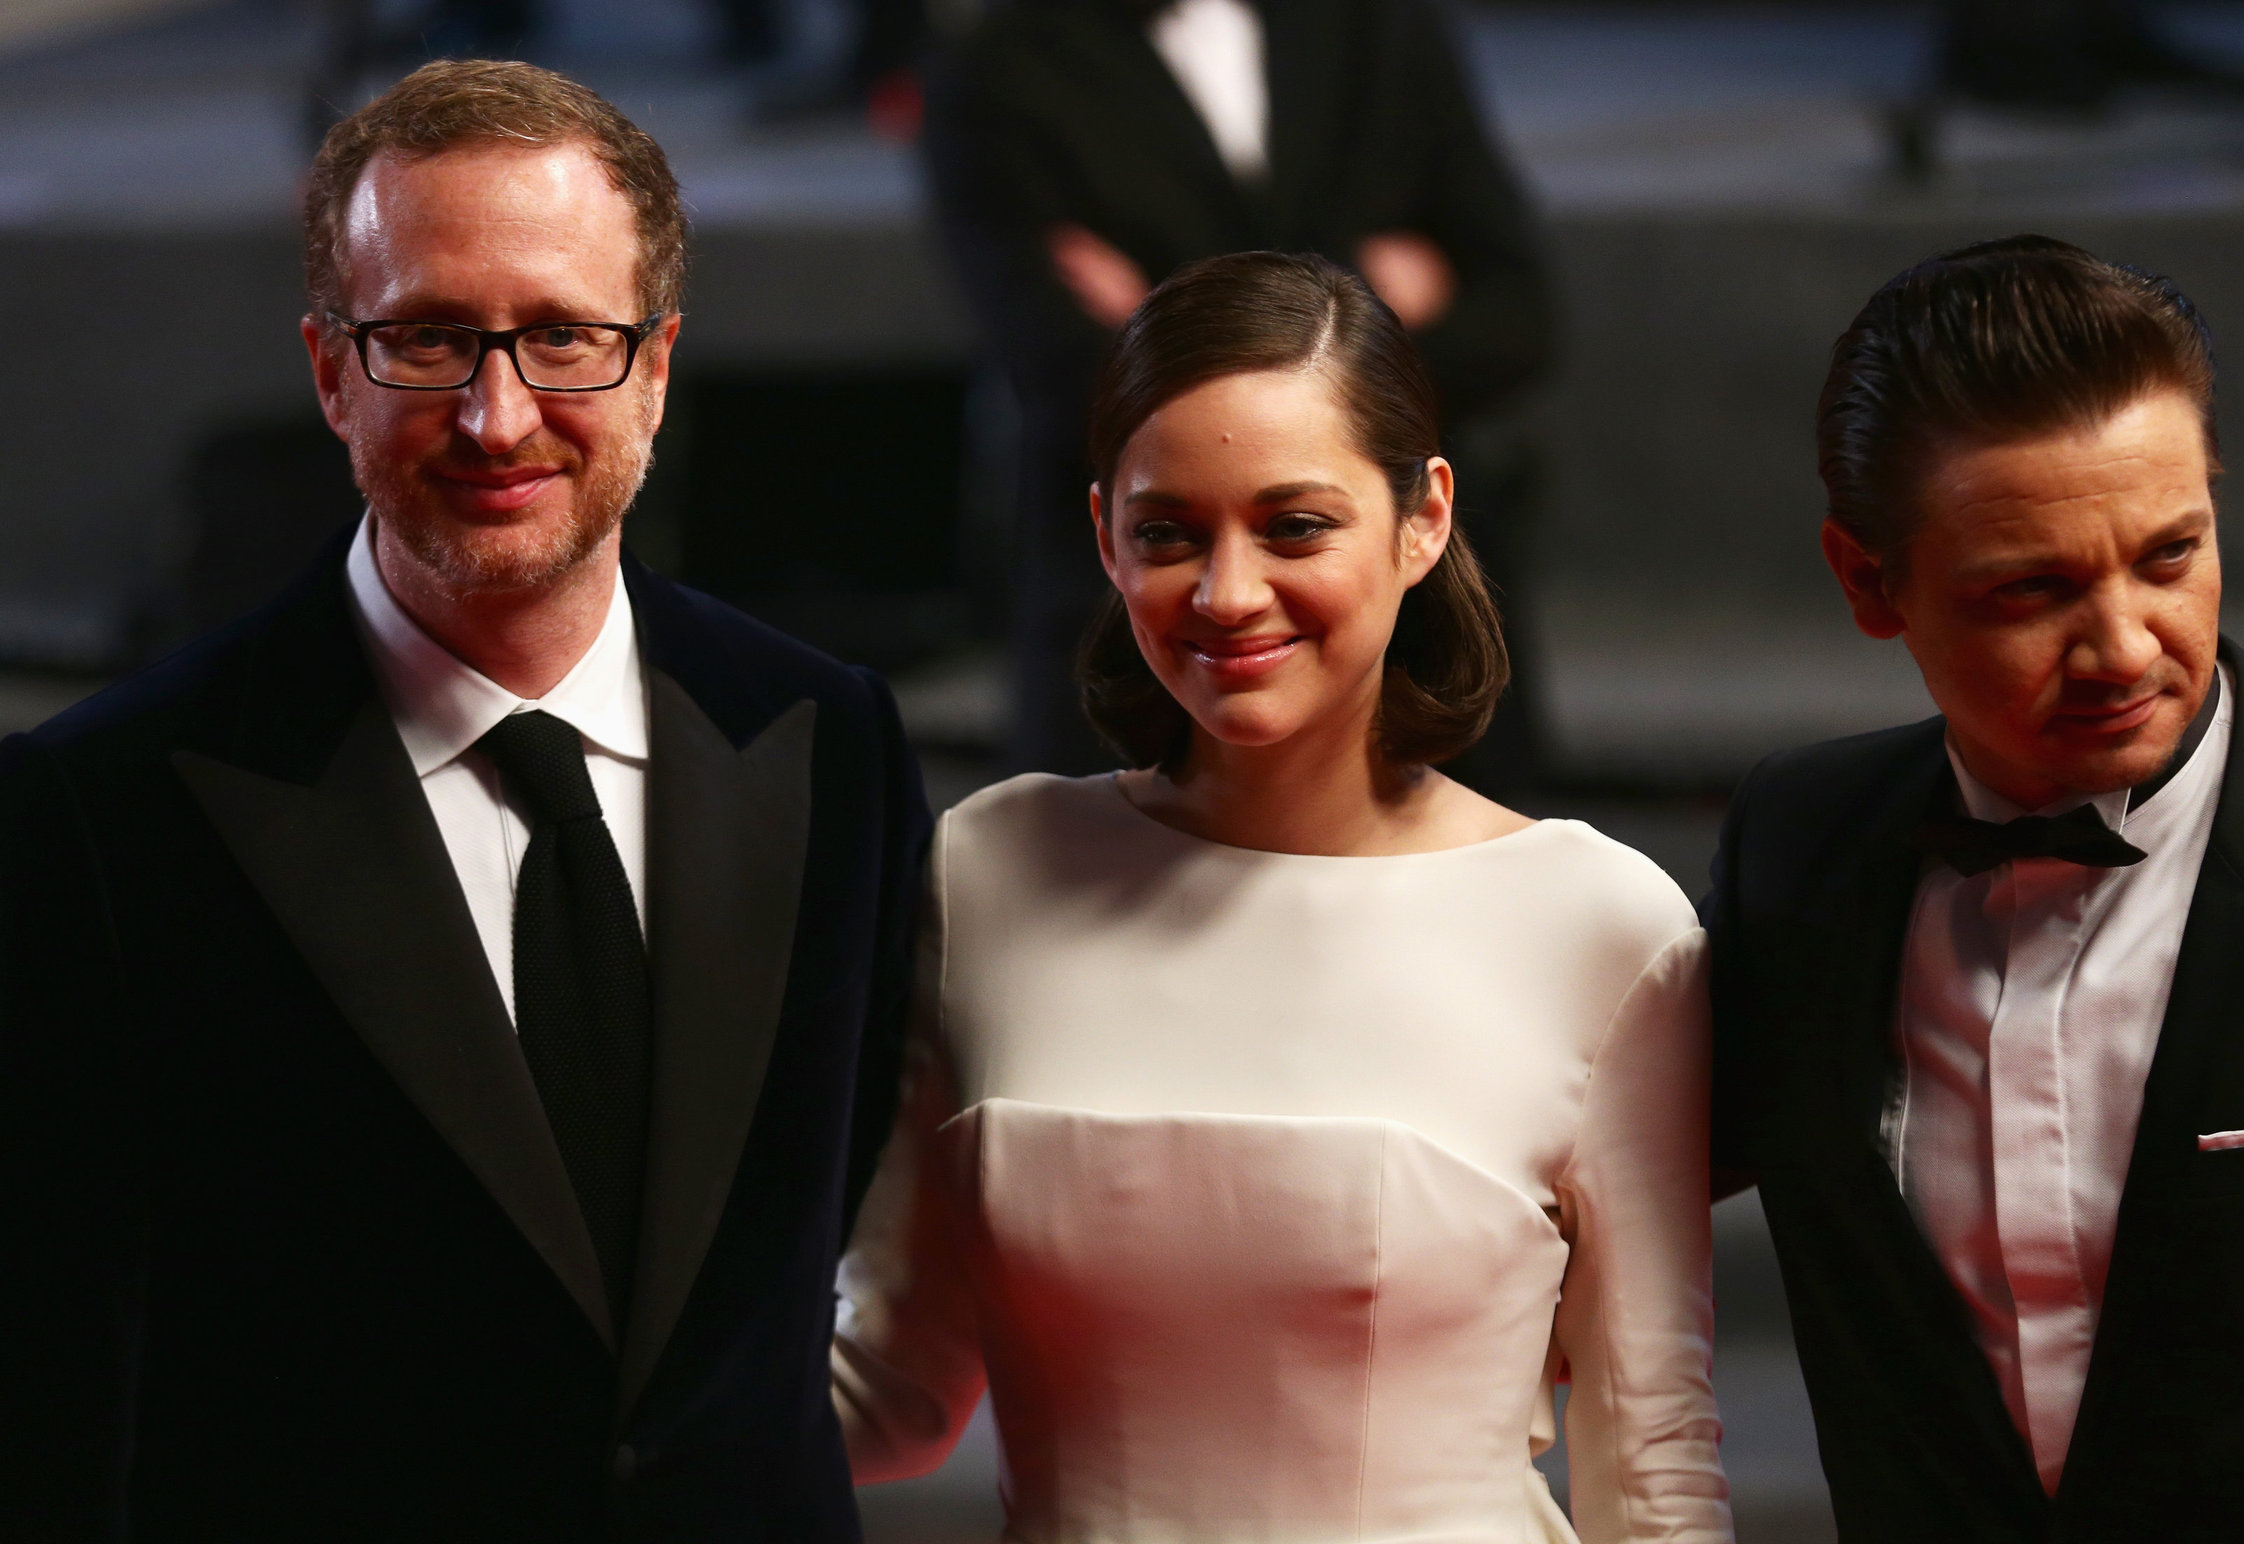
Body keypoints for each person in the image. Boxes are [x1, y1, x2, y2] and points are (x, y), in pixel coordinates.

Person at [0, 61, 929, 1540]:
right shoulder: (102, 812)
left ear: (661, 363)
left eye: (565, 337)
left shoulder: (829, 740)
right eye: (429, 340)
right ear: (328, 370)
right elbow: (47, 1400)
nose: (499, 418)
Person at [830, 253, 1728, 1540]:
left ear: (1424, 521)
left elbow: (1655, 1461)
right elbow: (892, 1387)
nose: (1227, 592)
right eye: (1168, 532)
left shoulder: (1597, 920)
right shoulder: (990, 865)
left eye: (1295, 525)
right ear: (1102, 535)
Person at [1707, 235, 2244, 1540]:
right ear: (1865, 582)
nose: (2121, 646)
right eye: (2030, 590)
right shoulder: (1795, 850)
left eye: (2168, 558)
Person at [923, 0, 1555, 785]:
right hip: (1128, 650)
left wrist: (1152, 322)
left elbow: (1518, 322)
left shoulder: (1378, 25)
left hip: (1418, 653)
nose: (1238, 591)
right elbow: (1060, 368)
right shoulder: (998, 63)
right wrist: (1378, 316)